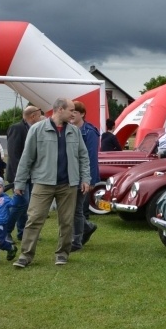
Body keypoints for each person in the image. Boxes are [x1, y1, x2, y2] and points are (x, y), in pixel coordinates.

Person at [12, 98, 91, 268]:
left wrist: (85, 178)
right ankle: (25, 256)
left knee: (66, 221)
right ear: (60, 109)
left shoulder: (74, 131)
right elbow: (27, 158)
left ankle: (62, 253)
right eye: (71, 110)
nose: (73, 113)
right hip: (42, 182)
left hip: (68, 184)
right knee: (34, 219)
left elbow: (83, 157)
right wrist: (19, 182)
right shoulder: (37, 129)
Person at [7, 105, 43, 240]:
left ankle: (23, 232)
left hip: (31, 175)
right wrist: (20, 178)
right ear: (33, 116)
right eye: (39, 116)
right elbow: (14, 154)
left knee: (26, 204)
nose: (40, 118)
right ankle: (5, 231)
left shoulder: (33, 128)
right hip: (19, 175)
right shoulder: (17, 128)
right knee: (20, 203)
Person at [70, 101, 100, 251]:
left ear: (82, 114)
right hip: (70, 175)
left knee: (78, 208)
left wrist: (90, 179)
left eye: (75, 112)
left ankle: (79, 236)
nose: (72, 115)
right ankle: (86, 228)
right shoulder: (68, 129)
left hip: (83, 175)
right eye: (71, 112)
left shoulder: (89, 131)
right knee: (73, 208)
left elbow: (91, 156)